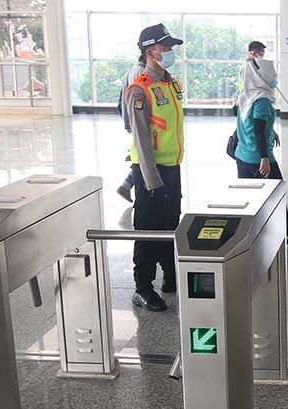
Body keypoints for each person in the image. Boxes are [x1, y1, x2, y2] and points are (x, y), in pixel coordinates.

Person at [124, 23, 184, 312]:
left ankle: (170, 276)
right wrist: (152, 181)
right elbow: (140, 138)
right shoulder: (140, 90)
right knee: (147, 230)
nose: (171, 51)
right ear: (151, 52)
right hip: (151, 173)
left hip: (172, 168)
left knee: (171, 223)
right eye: (166, 47)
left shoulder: (169, 83)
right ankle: (142, 287)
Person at [235, 41, 282, 180]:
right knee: (276, 194)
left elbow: (249, 123)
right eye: (272, 74)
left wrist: (270, 130)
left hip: (242, 155)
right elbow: (257, 130)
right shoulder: (261, 100)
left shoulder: (246, 96)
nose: (274, 77)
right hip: (257, 159)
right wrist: (264, 158)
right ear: (264, 76)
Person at [116, 60, 146, 203]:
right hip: (141, 123)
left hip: (136, 122)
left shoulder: (133, 70)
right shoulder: (141, 73)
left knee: (141, 157)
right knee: (143, 159)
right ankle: (126, 185)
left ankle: (126, 185)